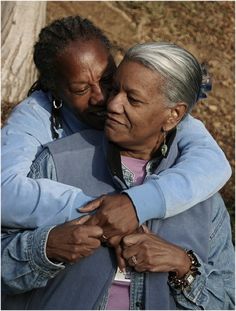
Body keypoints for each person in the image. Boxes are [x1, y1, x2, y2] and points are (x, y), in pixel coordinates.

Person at [2, 42, 234, 310]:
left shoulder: (203, 197)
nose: (111, 104)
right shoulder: (56, 162)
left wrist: (182, 265)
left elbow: (226, 301)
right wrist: (45, 249)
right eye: (114, 89)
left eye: (133, 99)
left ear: (173, 115)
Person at [1, 15, 232, 240]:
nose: (103, 98)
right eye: (82, 90)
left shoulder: (150, 107)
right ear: (55, 91)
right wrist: (98, 212)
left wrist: (138, 204)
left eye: (107, 79)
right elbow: (4, 191)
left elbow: (212, 163)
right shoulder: (35, 116)